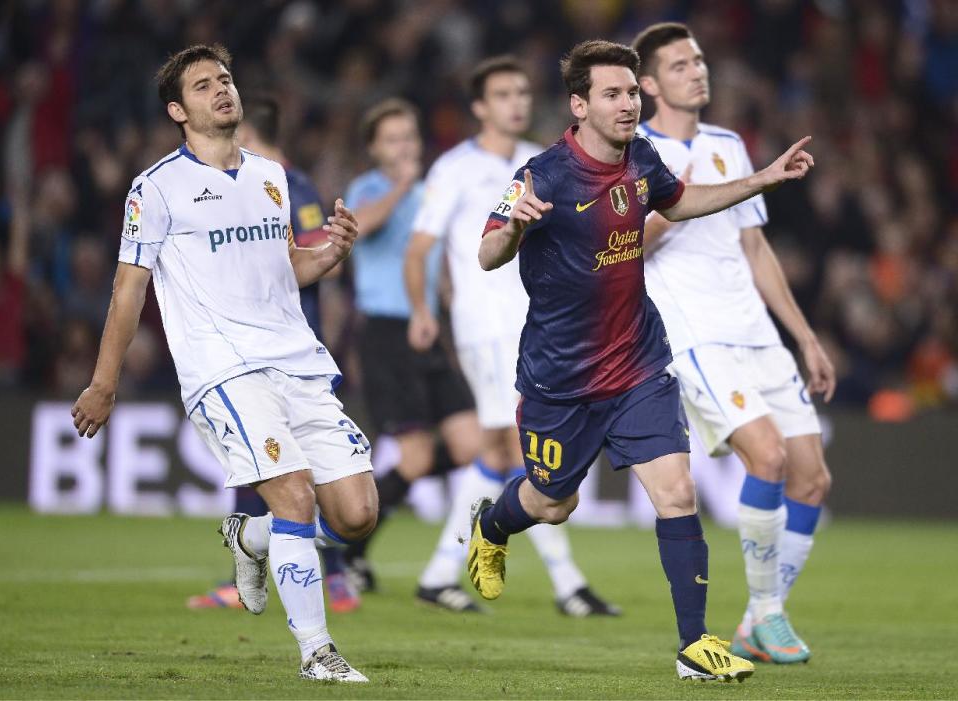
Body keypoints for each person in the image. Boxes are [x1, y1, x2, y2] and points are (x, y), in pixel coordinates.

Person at [471, 39, 813, 681]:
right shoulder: (542, 175)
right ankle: (492, 524)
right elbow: (488, 253)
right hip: (561, 380)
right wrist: (513, 226)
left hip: (637, 363)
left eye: (632, 91)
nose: (629, 104)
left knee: (677, 492)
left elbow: (679, 201)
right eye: (613, 93)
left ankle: (694, 647)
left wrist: (762, 179)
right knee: (552, 504)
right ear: (579, 105)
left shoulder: (640, 158)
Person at [70, 44, 375, 683]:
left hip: (295, 359)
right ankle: (317, 652)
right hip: (225, 368)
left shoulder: (271, 177)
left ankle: (251, 537)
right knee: (295, 496)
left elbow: (284, 267)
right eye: (204, 86)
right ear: (179, 110)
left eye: (227, 79)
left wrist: (330, 253)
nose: (222, 91)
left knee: (354, 514)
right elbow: (129, 288)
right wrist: (104, 383)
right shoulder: (155, 188)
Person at [632, 22, 833, 664]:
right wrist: (677, 198)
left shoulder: (728, 144)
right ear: (649, 83)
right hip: (695, 337)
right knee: (767, 457)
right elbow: (625, 247)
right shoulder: (634, 151)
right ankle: (770, 614)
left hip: (754, 331)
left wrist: (803, 336)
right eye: (681, 64)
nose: (698, 70)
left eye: (699, 60)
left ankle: (755, 620)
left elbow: (753, 246)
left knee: (812, 478)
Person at [404, 56, 619, 617]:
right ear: (479, 107)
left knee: (511, 452)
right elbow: (422, 247)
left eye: (522, 92)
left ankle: (447, 574)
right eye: (502, 94)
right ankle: (563, 584)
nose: (516, 102)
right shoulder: (454, 167)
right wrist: (424, 309)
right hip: (486, 327)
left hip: (538, 325)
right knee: (517, 450)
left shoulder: (537, 163)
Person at [187, 95, 360, 615]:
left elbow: (310, 260)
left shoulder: (285, 183)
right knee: (278, 472)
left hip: (287, 350)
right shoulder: (229, 186)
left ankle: (320, 571)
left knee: (286, 474)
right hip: (256, 350)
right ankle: (321, 578)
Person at [343, 98, 485, 611]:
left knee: (473, 447)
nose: (406, 146)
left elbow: (441, 267)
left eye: (410, 136)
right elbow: (361, 227)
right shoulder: (369, 189)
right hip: (385, 333)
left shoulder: (432, 194)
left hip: (431, 332)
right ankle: (348, 547)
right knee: (417, 455)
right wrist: (402, 186)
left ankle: (349, 538)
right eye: (393, 138)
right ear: (375, 148)